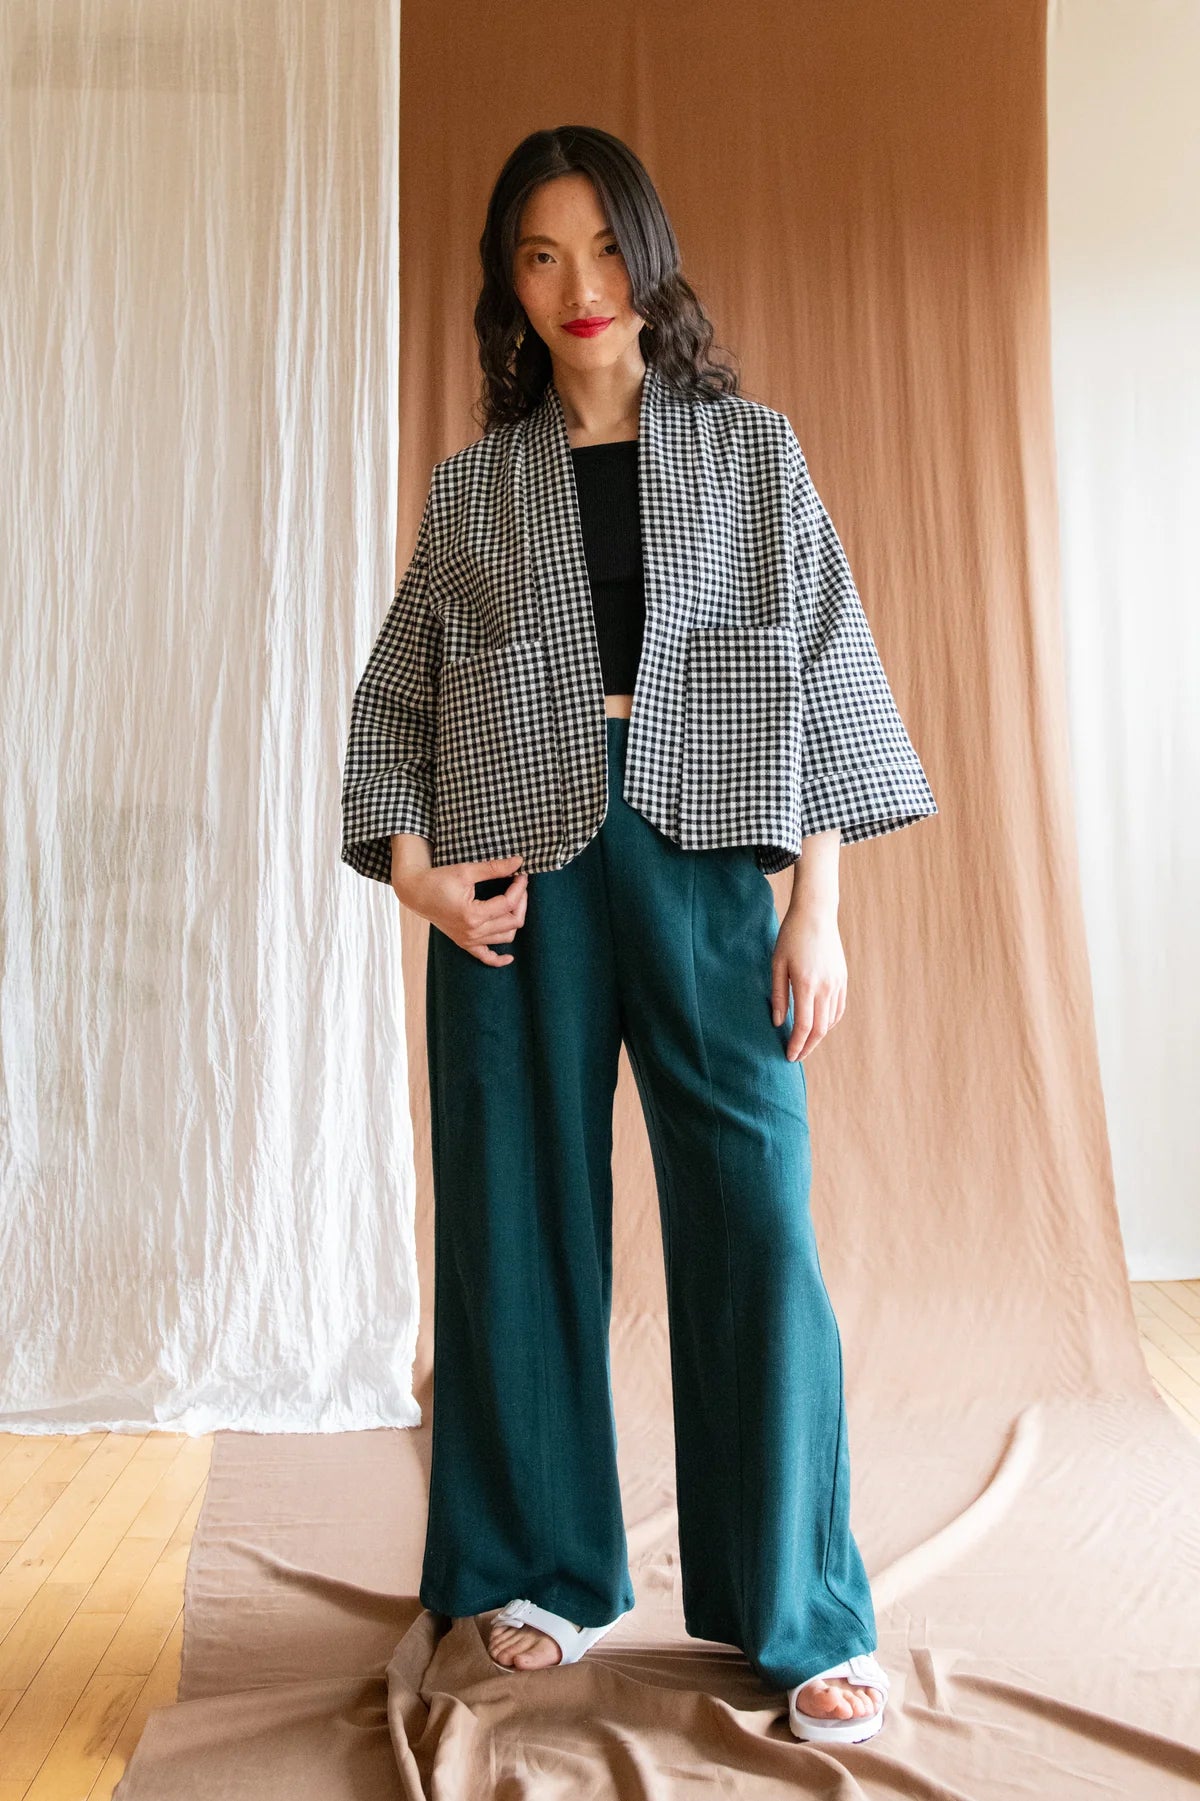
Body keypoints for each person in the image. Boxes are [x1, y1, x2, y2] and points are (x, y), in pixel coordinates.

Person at [340, 125, 937, 1747]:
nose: (580, 285)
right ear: (509, 284)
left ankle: (803, 1609)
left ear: (649, 257)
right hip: (515, 882)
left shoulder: (752, 454)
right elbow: (395, 704)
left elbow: (826, 670)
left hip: (704, 859)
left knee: (757, 1218)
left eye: (604, 247)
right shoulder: (475, 488)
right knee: (516, 1211)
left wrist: (817, 907)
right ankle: (544, 1568)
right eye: (541, 255)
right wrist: (417, 878)